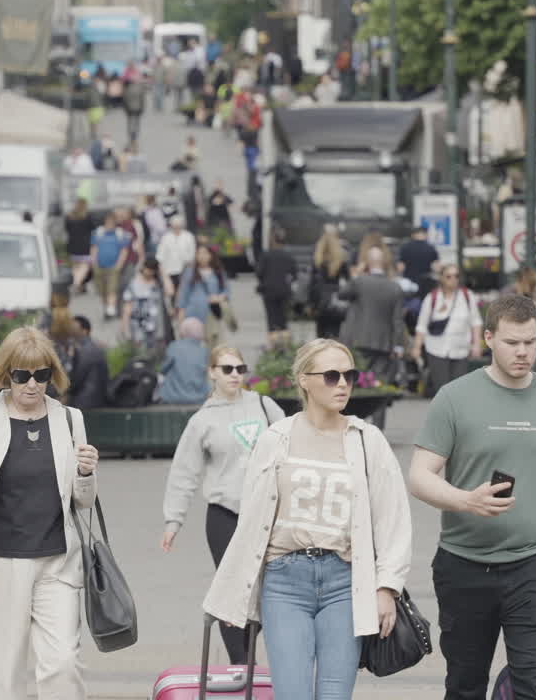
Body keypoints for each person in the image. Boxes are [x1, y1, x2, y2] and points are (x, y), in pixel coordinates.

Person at [203, 338, 413, 700]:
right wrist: (233, 591)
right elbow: (251, 520)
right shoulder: (276, 439)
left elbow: (393, 519)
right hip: (284, 580)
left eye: (349, 375)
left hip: (344, 582)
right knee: (292, 694)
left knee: (335, 694)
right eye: (332, 376)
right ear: (304, 379)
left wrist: (386, 588)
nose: (344, 383)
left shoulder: (367, 440)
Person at [408, 294, 536, 700]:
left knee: (534, 686)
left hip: (535, 564)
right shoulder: (455, 398)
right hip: (464, 565)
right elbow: (419, 476)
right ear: (489, 338)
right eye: (512, 342)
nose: (523, 352)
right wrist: (464, 501)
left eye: (530, 341)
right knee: (465, 686)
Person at [0, 327, 100, 700]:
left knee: (63, 663)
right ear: (5, 374)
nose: (32, 384)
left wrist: (86, 473)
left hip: (58, 562)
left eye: (41, 375)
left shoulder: (69, 419)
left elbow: (84, 502)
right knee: (3, 672)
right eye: (22, 376)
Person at [162, 345, 286, 664]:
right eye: (228, 369)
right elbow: (184, 472)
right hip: (224, 515)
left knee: (268, 589)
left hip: (266, 513)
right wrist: (172, 520)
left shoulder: (263, 405)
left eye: (241, 369)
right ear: (212, 372)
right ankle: (241, 665)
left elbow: (290, 446)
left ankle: (253, 654)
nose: (235, 376)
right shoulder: (202, 420)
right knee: (232, 591)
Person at [338, 245, 405, 430]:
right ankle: (377, 429)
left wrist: (356, 273)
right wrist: (398, 346)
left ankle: (352, 425)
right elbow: (398, 320)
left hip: (357, 341)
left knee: (355, 385)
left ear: (367, 262)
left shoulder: (360, 282)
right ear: (384, 263)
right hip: (383, 344)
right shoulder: (395, 287)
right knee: (380, 385)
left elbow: (341, 294)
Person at [410, 263, 483, 397]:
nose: (453, 279)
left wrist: (476, 344)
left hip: (461, 349)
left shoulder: (467, 296)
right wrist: (416, 347)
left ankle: (456, 416)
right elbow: (422, 325)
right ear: (442, 278)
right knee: (442, 389)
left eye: (456, 276)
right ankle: (444, 416)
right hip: (436, 348)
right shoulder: (432, 298)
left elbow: (476, 322)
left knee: (459, 389)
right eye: (449, 276)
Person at [176, 245, 230, 347]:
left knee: (214, 346)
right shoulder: (190, 272)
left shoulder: (218, 272)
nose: (202, 256)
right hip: (192, 315)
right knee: (193, 347)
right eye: (199, 253)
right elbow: (183, 296)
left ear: (211, 255)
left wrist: (218, 298)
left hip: (212, 315)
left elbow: (226, 291)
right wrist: (181, 319)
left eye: (205, 253)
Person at [256, 228, 297, 348]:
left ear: (273, 240)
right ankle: (285, 345)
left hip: (269, 291)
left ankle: (273, 346)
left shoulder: (266, 255)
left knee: (272, 318)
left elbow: (259, 272)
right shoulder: (289, 256)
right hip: (285, 291)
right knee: (283, 318)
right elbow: (294, 274)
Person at [121, 258, 170, 357]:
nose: (149, 272)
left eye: (152, 269)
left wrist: (163, 272)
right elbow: (127, 307)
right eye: (148, 268)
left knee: (155, 357)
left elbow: (170, 291)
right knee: (140, 356)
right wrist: (125, 328)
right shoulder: (133, 284)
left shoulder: (157, 284)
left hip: (156, 328)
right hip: (138, 327)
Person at [310, 229, 351, 340]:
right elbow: (348, 280)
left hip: (320, 300)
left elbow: (312, 283)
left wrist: (312, 304)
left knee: (321, 335)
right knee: (334, 333)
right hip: (335, 300)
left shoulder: (317, 260)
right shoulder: (340, 260)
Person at [90, 211, 130, 319]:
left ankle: (111, 309)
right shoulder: (98, 233)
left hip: (113, 266)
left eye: (112, 222)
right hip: (99, 266)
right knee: (102, 291)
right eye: (108, 222)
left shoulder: (120, 234)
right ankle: (107, 308)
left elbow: (124, 250)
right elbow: (94, 248)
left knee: (112, 289)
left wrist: (119, 265)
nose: (110, 224)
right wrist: (94, 263)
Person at [159, 318, 210, 404]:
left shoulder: (174, 346)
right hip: (199, 397)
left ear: (183, 331)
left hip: (174, 397)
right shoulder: (203, 351)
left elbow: (163, 369)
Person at [157, 215, 197, 295]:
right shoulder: (166, 237)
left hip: (185, 272)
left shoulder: (188, 236)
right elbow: (160, 258)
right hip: (169, 272)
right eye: (174, 226)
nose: (176, 228)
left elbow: (192, 256)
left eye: (179, 226)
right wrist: (165, 278)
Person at [396, 226, 440, 298]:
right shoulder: (431, 248)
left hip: (410, 284)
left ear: (413, 235)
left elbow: (400, 268)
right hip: (426, 285)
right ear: (425, 235)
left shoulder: (405, 248)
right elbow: (437, 268)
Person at [65, 198, 95, 294]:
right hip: (85, 246)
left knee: (76, 267)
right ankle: (76, 284)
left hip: (72, 245)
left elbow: (67, 229)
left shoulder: (69, 217)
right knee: (85, 266)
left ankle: (79, 284)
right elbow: (93, 229)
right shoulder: (87, 217)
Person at [123, 79, 146, 149]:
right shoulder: (139, 89)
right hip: (138, 108)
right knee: (136, 122)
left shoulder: (127, 89)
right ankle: (135, 136)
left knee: (130, 122)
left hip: (129, 109)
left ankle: (131, 136)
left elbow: (125, 100)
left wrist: (125, 108)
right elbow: (142, 99)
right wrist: (142, 108)